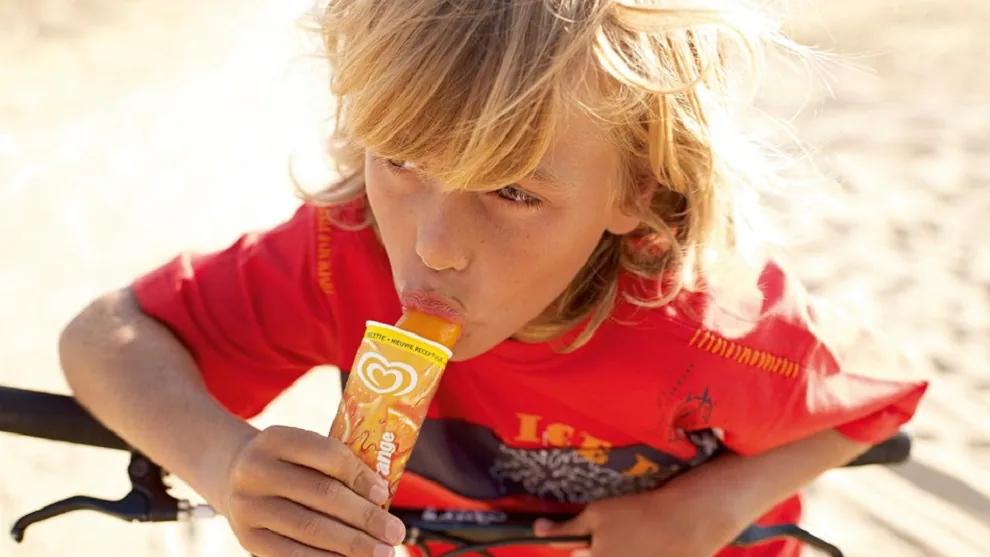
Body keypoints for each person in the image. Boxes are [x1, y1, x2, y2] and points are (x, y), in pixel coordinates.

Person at [58, 1, 928, 556]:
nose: (434, 245)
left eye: (513, 190)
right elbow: (104, 338)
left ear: (638, 187)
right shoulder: (344, 254)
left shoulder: (712, 326)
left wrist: (708, 507)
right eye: (402, 158)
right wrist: (223, 457)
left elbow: (883, 397)